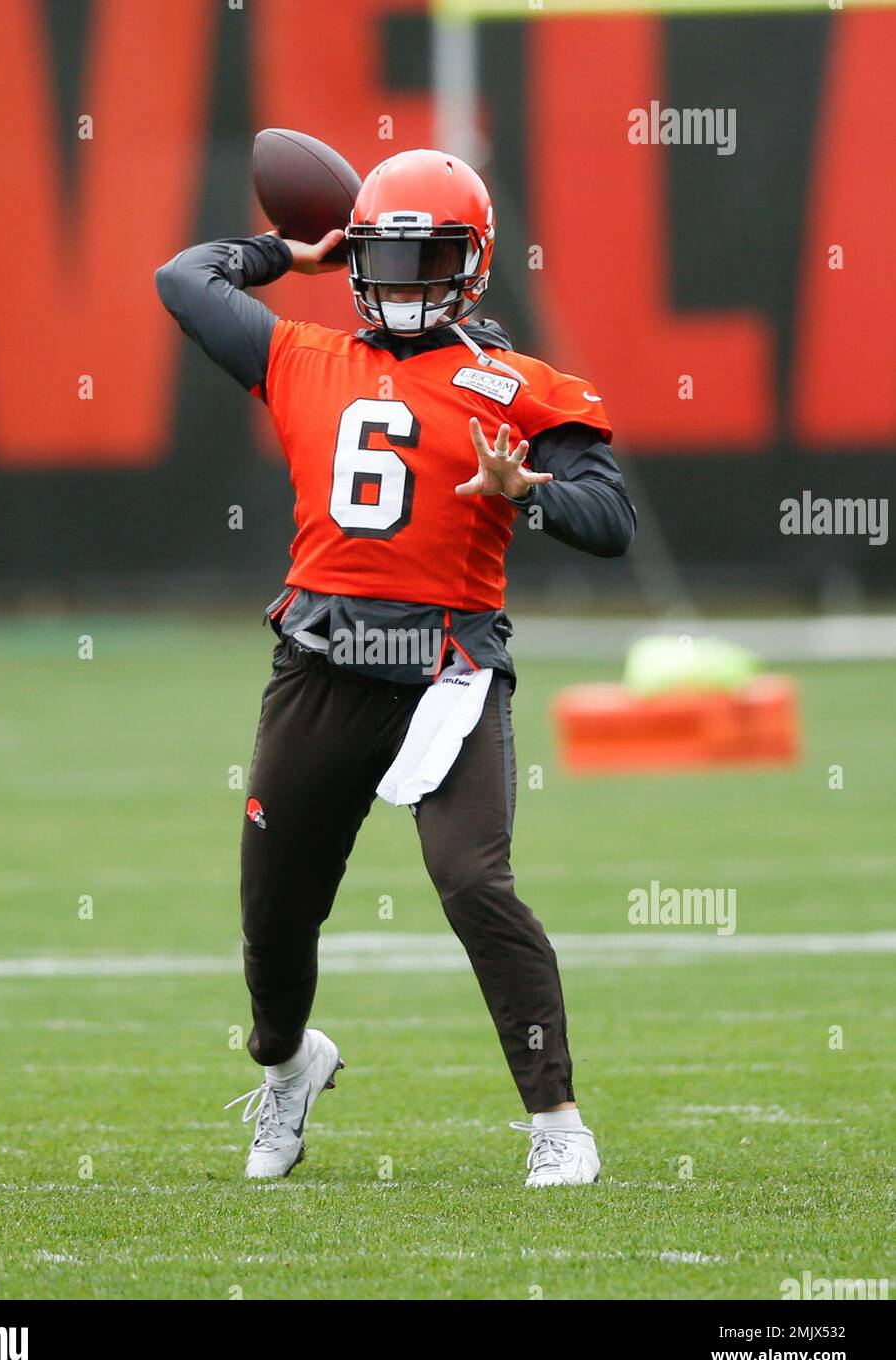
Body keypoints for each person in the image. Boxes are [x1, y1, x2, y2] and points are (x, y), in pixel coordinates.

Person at [155, 148, 636, 1187]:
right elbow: (183, 279)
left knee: (472, 879)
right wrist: (289, 250)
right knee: (274, 909)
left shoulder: (517, 387)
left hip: (448, 669)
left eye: (428, 260)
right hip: (321, 661)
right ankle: (287, 1066)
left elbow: (610, 520)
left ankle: (558, 1122)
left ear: (471, 265)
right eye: (385, 258)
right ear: (357, 261)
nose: (405, 281)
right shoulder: (301, 354)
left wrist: (529, 493)